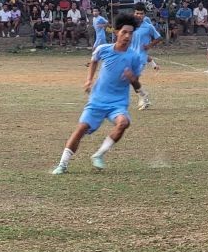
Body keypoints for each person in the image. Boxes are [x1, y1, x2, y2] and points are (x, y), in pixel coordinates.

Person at [51, 14, 144, 174]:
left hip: (118, 103)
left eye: (130, 33)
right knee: (81, 128)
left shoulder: (134, 57)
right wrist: (89, 80)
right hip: (98, 100)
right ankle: (62, 164)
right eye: (124, 32)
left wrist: (132, 79)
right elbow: (94, 61)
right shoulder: (104, 49)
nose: (128, 36)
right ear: (116, 32)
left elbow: (137, 85)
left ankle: (99, 155)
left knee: (123, 123)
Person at [130, 6, 161, 110]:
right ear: (134, 13)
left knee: (134, 79)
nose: (139, 15)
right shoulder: (130, 26)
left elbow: (158, 38)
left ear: (144, 15)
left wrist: (149, 46)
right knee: (131, 80)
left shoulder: (148, 27)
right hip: (129, 57)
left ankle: (143, 97)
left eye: (141, 13)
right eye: (137, 13)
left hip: (141, 57)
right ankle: (143, 96)